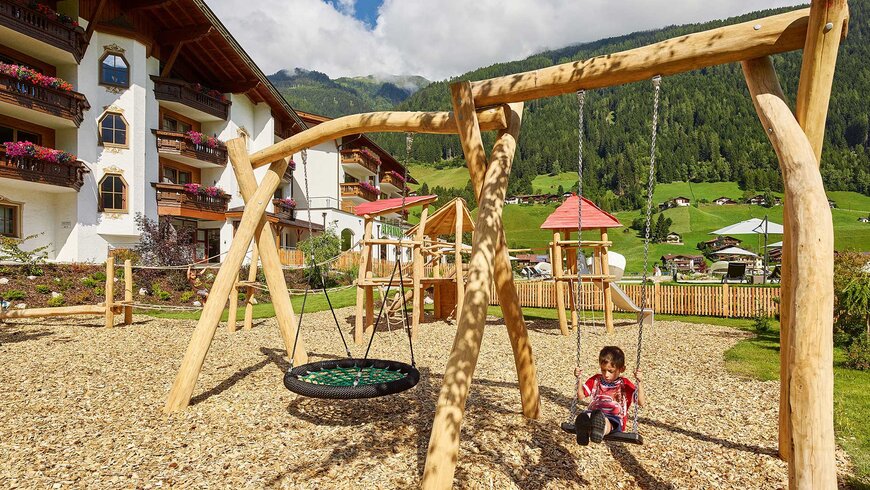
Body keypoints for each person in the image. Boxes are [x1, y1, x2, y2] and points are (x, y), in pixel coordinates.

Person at [573, 346, 645, 445]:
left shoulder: (624, 384)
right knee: (587, 416)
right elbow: (581, 396)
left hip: (614, 417)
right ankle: (584, 431)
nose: (606, 374)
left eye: (610, 371)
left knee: (606, 421)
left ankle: (598, 431)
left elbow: (641, 402)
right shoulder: (596, 380)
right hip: (593, 413)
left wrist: (639, 382)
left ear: (622, 369)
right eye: (603, 370)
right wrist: (579, 378)